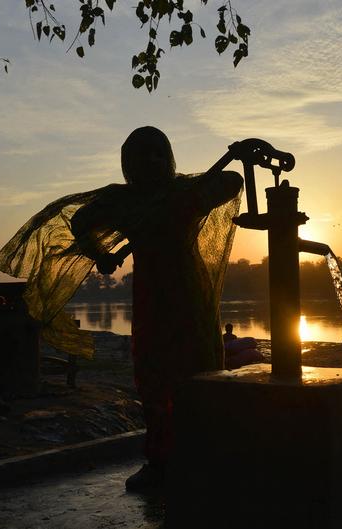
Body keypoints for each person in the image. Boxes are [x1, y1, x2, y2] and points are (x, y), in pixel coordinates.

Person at [69, 126, 243, 492]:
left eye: (158, 153)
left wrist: (188, 197)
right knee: (154, 381)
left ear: (169, 159)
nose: (151, 161)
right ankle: (161, 462)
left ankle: (206, 456)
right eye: (141, 155)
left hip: (191, 298)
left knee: (200, 374)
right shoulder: (125, 202)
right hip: (151, 301)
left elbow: (232, 179)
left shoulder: (185, 193)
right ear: (127, 164)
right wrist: (99, 254)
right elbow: (80, 222)